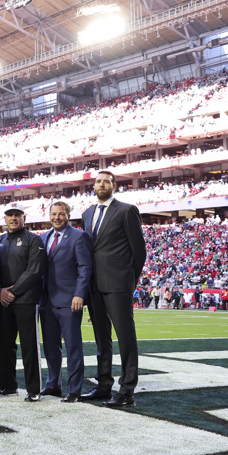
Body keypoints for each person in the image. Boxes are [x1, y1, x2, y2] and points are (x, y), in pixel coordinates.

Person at [80, 170, 147, 408]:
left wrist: (130, 281)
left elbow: (139, 251)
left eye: (106, 181)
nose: (101, 184)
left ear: (114, 186)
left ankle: (127, 390)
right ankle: (103, 385)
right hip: (94, 286)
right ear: (93, 186)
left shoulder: (127, 210)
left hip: (119, 284)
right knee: (101, 338)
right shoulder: (86, 213)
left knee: (125, 337)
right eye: (98, 181)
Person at [39, 201, 93, 403]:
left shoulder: (79, 237)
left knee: (73, 347)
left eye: (61, 214)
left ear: (68, 215)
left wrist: (80, 294)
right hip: (47, 301)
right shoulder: (44, 237)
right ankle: (53, 384)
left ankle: (74, 390)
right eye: (53, 214)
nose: (57, 217)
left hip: (70, 301)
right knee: (51, 347)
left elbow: (85, 268)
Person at [0, 203, 48, 402]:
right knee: (5, 345)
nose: (13, 218)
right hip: (3, 301)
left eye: (17, 215)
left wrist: (12, 292)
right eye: (10, 215)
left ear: (24, 217)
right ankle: (7, 386)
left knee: (29, 346)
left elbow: (35, 270)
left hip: (25, 300)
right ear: (5, 218)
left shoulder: (34, 240)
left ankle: (33, 389)